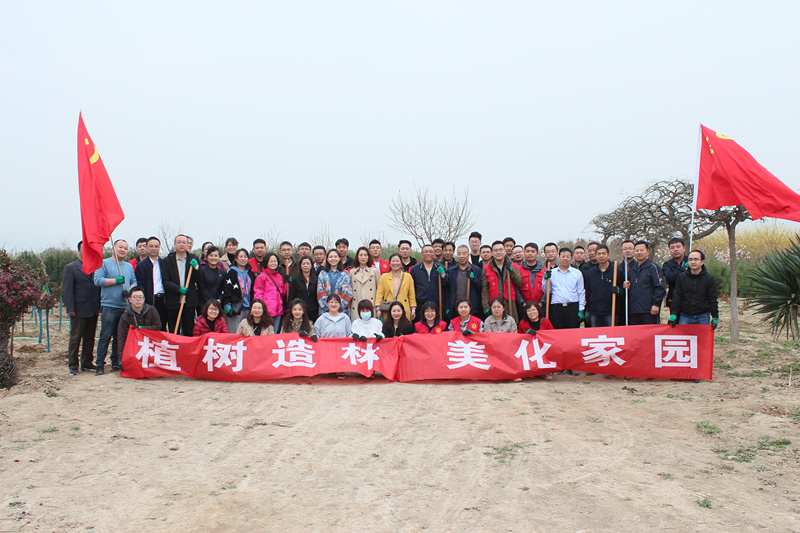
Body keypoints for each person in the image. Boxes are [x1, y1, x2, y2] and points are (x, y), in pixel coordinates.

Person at [93, 239, 137, 374]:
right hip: (109, 306)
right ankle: (100, 364)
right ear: (113, 248)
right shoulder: (104, 263)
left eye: (125, 248)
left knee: (120, 336)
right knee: (105, 336)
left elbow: (134, 281)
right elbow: (97, 280)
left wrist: (130, 290)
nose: (123, 250)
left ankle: (116, 362)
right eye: (120, 247)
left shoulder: (128, 266)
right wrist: (115, 281)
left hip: (124, 306)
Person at [63, 241, 101, 375]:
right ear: (78, 251)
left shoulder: (96, 267)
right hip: (78, 308)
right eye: (84, 249)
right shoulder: (71, 268)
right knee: (76, 337)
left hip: (93, 307)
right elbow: (67, 290)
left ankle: (87, 362)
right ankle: (73, 364)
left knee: (90, 337)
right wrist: (70, 307)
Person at [669, 250, 719, 328]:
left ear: (702, 262)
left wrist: (715, 316)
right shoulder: (682, 277)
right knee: (684, 335)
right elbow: (677, 296)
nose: (693, 262)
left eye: (696, 259)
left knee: (702, 336)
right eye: (690, 259)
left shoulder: (708, 278)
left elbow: (712, 298)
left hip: (703, 316)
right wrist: (674, 313)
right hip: (685, 315)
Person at [162, 234, 201, 336]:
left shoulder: (193, 258)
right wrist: (178, 289)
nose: (181, 245)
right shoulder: (168, 260)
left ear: (188, 245)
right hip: (173, 301)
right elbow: (165, 281)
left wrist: (196, 268)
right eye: (179, 242)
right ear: (175, 244)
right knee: (174, 330)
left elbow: (199, 279)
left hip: (189, 301)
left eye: (184, 242)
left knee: (188, 329)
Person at [621, 241, 666, 325]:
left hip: (648, 310)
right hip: (633, 310)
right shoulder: (632, 269)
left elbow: (659, 287)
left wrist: (656, 304)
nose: (639, 253)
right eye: (637, 250)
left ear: (648, 252)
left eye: (642, 250)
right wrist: (625, 286)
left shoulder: (653, 267)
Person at [541, 248, 586, 329]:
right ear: (559, 257)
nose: (565, 259)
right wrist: (545, 279)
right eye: (563, 256)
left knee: (572, 332)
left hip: (572, 307)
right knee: (557, 332)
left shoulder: (577, 273)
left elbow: (581, 292)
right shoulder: (552, 272)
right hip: (556, 308)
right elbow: (546, 291)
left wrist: (581, 309)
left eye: (568, 257)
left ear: (572, 258)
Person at [481, 240, 523, 322]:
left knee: (510, 326)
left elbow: (519, 283)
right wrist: (486, 306)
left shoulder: (513, 266)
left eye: (501, 250)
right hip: (494, 305)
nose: (498, 252)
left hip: (509, 304)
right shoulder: (486, 268)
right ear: (492, 253)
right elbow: (485, 289)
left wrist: (511, 270)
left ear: (505, 252)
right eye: (496, 250)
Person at [116, 286, 161, 359]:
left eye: (140, 297)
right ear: (130, 299)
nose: (138, 299)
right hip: (133, 346)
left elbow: (158, 327)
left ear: (144, 299)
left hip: (150, 345)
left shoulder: (151, 310)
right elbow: (122, 337)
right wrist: (121, 359)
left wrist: (141, 328)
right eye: (135, 297)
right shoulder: (125, 315)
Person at [220, 248, 256, 333]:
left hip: (249, 308)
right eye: (241, 257)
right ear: (236, 259)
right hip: (235, 308)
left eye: (245, 257)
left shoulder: (250, 273)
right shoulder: (231, 272)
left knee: (248, 332)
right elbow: (227, 289)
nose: (243, 259)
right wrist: (227, 304)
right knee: (235, 332)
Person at [134, 236, 167, 329]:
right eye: (151, 246)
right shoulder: (142, 265)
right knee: (150, 326)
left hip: (163, 299)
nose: (154, 248)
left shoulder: (164, 263)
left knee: (162, 325)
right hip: (150, 300)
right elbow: (140, 284)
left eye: (156, 246)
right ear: (147, 247)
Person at [583, 245, 619, 327]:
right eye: (599, 254)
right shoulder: (591, 272)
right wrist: (587, 310)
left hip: (611, 311)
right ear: (596, 256)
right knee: (596, 334)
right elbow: (588, 292)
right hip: (595, 312)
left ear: (608, 255)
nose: (601, 256)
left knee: (610, 334)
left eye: (603, 253)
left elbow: (623, 290)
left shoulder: (616, 270)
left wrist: (618, 290)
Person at [410, 244, 447, 321]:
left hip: (436, 304)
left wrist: (443, 275)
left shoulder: (440, 268)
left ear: (434, 254)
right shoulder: (415, 269)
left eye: (430, 252)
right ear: (421, 254)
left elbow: (446, 285)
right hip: (420, 304)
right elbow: (411, 289)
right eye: (426, 252)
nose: (428, 254)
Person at [444, 245, 482, 320]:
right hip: (455, 308)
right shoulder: (452, 271)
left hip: (472, 309)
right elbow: (447, 290)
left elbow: (480, 288)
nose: (461, 256)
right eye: (459, 254)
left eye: (464, 253)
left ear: (468, 255)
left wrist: (473, 279)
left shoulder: (476, 270)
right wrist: (447, 307)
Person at [376, 253, 417, 320]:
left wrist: (413, 309)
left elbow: (411, 295)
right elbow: (379, 295)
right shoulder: (384, 277)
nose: (395, 263)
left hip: (403, 308)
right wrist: (378, 310)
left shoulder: (408, 277)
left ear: (401, 263)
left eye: (397, 261)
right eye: (393, 261)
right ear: (389, 263)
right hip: (388, 309)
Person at [253, 252, 287, 332]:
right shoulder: (261, 277)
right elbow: (258, 294)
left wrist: (287, 284)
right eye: (271, 261)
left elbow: (282, 292)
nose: (273, 263)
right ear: (266, 262)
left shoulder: (279, 276)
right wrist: (261, 308)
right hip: (267, 311)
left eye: (275, 261)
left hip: (278, 310)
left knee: (275, 333)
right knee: (266, 333)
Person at [317, 249, 354, 317]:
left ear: (339, 258)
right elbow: (320, 291)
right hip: (325, 311)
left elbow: (347, 292)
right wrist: (328, 307)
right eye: (331, 257)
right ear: (327, 259)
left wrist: (338, 307)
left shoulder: (345, 274)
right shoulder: (322, 273)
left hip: (342, 311)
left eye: (335, 257)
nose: (333, 259)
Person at [349, 246, 380, 321]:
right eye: (361, 255)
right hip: (356, 306)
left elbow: (379, 289)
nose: (363, 257)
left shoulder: (374, 271)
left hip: (371, 305)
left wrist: (378, 308)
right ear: (357, 257)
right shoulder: (352, 272)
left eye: (365, 255)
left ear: (368, 257)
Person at [288, 256, 319, 321]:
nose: (306, 265)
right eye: (303, 264)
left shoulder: (316, 279)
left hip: (314, 310)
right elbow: (291, 297)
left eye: (308, 263)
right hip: (300, 311)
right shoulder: (296, 280)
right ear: (300, 266)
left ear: (311, 265)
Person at [662, 237, 688, 309]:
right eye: (672, 248)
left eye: (678, 247)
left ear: (684, 248)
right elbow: (670, 278)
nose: (675, 249)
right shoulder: (667, 265)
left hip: (690, 300)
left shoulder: (692, 262)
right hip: (674, 300)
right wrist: (684, 268)